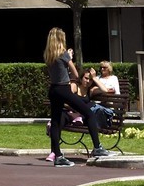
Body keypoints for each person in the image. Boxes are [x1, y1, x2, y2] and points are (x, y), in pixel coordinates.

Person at [44, 28, 112, 167]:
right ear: (60, 39)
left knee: (55, 122)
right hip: (64, 89)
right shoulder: (64, 54)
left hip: (53, 90)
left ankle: (58, 156)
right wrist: (70, 57)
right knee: (88, 112)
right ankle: (97, 147)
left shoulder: (48, 55)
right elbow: (75, 74)